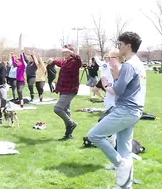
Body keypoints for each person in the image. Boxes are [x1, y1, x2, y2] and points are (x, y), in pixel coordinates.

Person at [88, 32, 146, 189]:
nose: (118, 46)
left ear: (128, 45)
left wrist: (112, 80)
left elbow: (119, 90)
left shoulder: (129, 65)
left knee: (94, 135)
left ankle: (120, 164)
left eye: (120, 44)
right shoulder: (139, 64)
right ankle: (125, 187)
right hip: (135, 110)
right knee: (124, 148)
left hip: (126, 109)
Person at [49, 44, 82, 140]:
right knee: (66, 111)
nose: (63, 53)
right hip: (63, 89)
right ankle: (68, 135)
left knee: (58, 109)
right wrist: (53, 61)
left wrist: (72, 53)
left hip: (70, 89)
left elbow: (79, 60)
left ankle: (72, 124)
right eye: (63, 51)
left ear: (71, 52)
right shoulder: (66, 62)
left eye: (65, 51)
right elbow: (60, 63)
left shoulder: (75, 62)